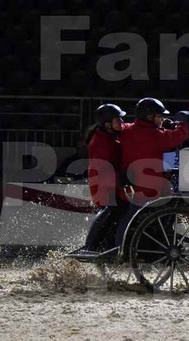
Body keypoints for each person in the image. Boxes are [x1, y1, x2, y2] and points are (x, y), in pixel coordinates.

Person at [115, 97, 189, 247]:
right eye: (160, 116)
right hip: (150, 191)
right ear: (149, 117)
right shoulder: (158, 136)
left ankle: (120, 246)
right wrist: (184, 123)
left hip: (129, 188)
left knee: (129, 218)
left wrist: (163, 126)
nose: (162, 119)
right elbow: (180, 135)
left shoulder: (127, 130)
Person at [67, 104, 130, 257]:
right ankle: (91, 246)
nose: (122, 121)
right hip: (104, 184)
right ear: (108, 124)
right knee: (110, 209)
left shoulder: (109, 134)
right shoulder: (101, 143)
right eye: (118, 119)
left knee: (116, 211)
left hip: (110, 182)